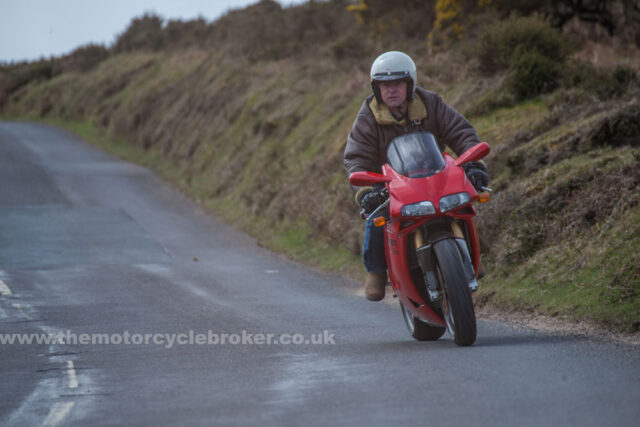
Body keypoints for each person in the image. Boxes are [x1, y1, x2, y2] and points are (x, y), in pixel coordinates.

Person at [344, 51, 489, 301]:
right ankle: (377, 272)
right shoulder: (368, 117)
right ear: (376, 88)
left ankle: (471, 256)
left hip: (437, 176)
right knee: (375, 219)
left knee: (464, 205)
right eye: (384, 85)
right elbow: (356, 158)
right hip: (392, 185)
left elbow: (461, 132)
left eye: (397, 84)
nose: (391, 91)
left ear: (409, 83)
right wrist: (366, 192)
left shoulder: (431, 103)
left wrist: (473, 164)